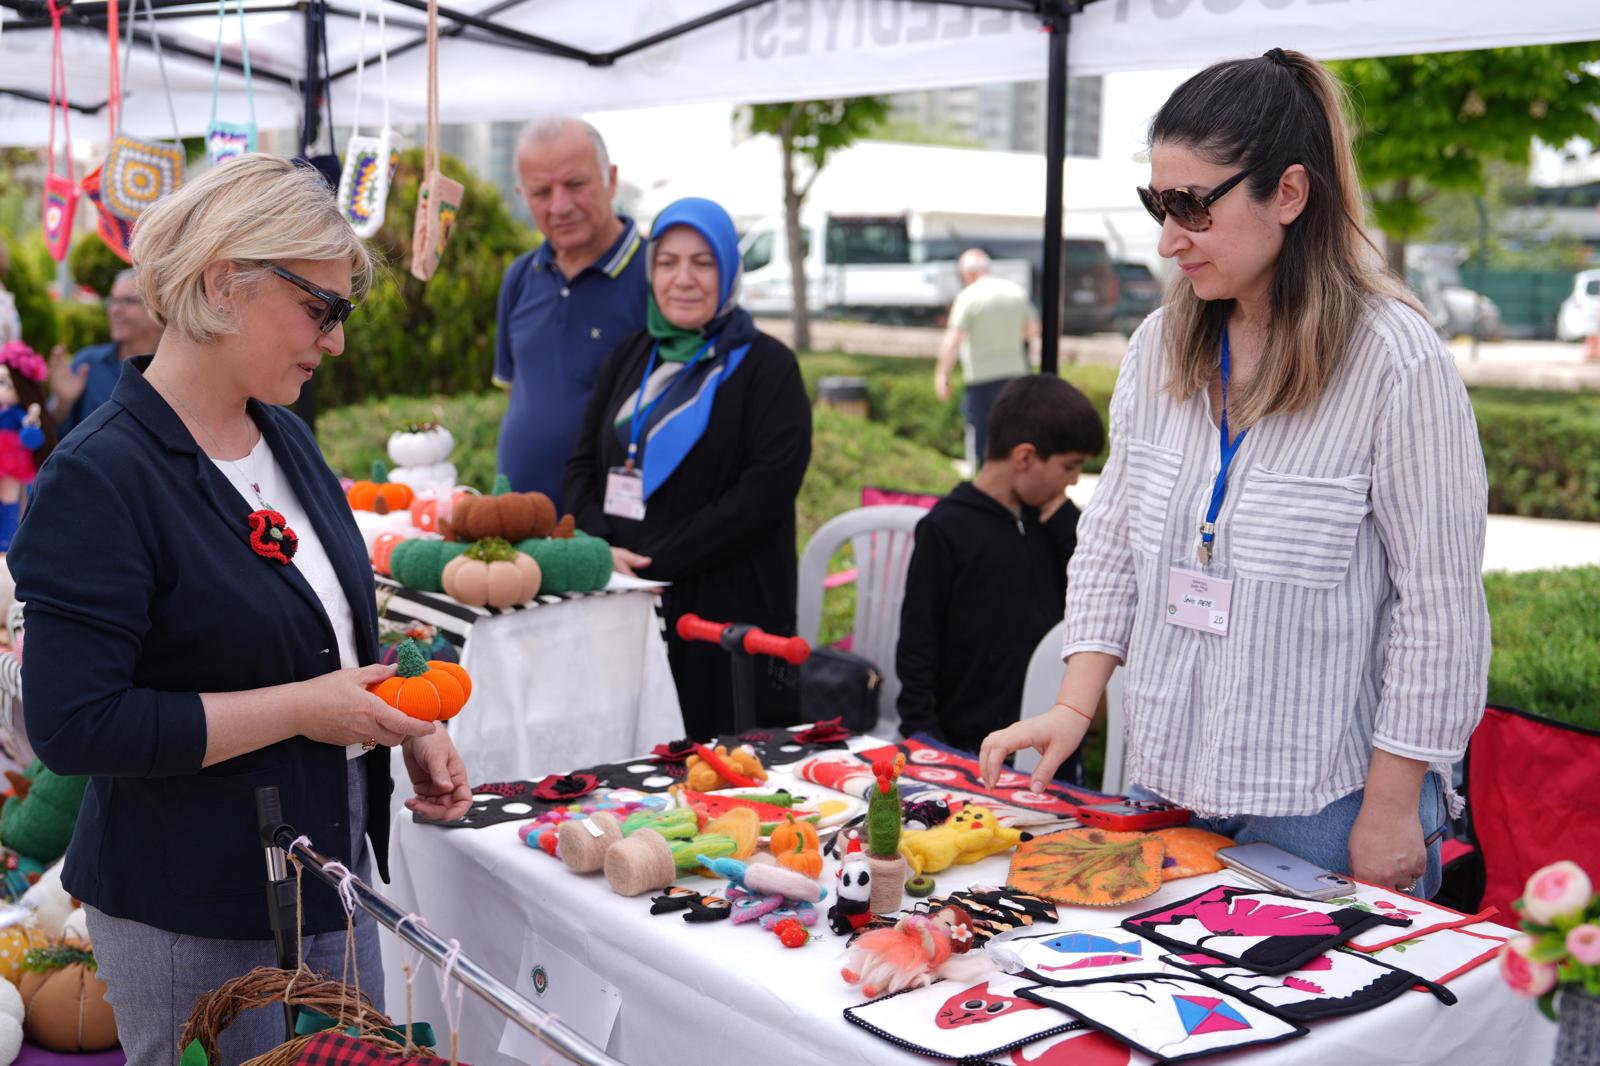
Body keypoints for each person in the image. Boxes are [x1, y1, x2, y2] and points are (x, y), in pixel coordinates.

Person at [979, 49, 1490, 901]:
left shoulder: (1397, 363)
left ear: (1288, 193)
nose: (1168, 237)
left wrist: (1394, 811)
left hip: (1327, 807)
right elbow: (1110, 541)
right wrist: (1075, 707)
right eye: (1158, 202)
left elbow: (1440, 613)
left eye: (1191, 206)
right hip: (1164, 780)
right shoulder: (1157, 349)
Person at [9, 155, 472, 1064]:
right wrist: (305, 709)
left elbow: (325, 618)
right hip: (195, 904)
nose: (336, 340)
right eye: (321, 309)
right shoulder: (99, 478)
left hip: (325, 867)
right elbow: (75, 725)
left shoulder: (282, 433)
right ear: (226, 284)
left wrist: (403, 716)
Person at [565, 197, 812, 740]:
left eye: (703, 263)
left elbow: (762, 496)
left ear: (728, 271)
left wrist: (654, 562)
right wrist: (600, 547)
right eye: (668, 261)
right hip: (622, 601)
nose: (684, 279)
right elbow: (583, 465)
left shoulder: (769, 368)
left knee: (722, 774)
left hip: (722, 613)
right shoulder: (630, 356)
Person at [896, 374, 1103, 773]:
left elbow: (1095, 580)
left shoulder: (1052, 522)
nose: (1075, 479)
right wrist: (924, 738)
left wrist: (1065, 524)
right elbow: (918, 644)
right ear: (1024, 457)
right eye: (1069, 466)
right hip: (966, 748)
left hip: (1048, 747)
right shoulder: (946, 529)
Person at [494, 117, 649, 509]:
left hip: (611, 533)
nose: (560, 206)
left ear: (610, 180)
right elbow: (518, 392)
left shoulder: (656, 276)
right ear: (521, 195)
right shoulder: (520, 276)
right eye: (541, 192)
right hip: (521, 523)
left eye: (575, 185)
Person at [934, 249, 1039, 467]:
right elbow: (1032, 329)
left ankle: (984, 486)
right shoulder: (1015, 292)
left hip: (981, 378)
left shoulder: (968, 297)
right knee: (1014, 436)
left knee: (982, 441)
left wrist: (942, 374)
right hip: (1015, 375)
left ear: (967, 273)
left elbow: (953, 339)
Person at [47, 268, 164, 437]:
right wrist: (62, 404)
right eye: (113, 301)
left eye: (127, 301)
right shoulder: (86, 365)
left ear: (158, 310)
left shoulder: (177, 372)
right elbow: (49, 434)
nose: (114, 310)